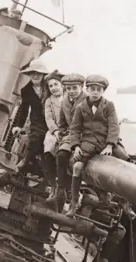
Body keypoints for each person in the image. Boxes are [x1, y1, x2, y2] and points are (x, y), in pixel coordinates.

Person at [67, 75, 129, 217]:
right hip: (88, 142)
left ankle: (124, 202)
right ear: (86, 90)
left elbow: (113, 126)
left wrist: (109, 145)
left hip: (105, 141)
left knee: (125, 161)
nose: (95, 92)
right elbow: (75, 129)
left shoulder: (109, 105)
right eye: (92, 89)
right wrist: (75, 146)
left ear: (103, 91)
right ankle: (74, 202)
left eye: (99, 89)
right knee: (77, 166)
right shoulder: (80, 108)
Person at [45, 73, 86, 211]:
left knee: (75, 160)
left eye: (75, 88)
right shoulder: (65, 102)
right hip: (69, 134)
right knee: (61, 155)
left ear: (81, 87)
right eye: (69, 88)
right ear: (65, 89)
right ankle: (60, 189)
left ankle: (72, 194)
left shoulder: (87, 101)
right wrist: (61, 135)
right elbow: (62, 123)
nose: (72, 91)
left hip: (84, 135)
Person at [11, 59, 49, 173]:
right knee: (35, 137)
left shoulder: (49, 86)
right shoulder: (26, 90)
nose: (36, 76)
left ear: (43, 75)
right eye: (33, 73)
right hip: (37, 121)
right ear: (29, 74)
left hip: (51, 119)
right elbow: (23, 110)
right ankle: (26, 161)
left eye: (39, 73)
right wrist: (18, 126)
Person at [43, 70, 64, 199]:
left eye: (56, 84)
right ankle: (53, 184)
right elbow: (49, 118)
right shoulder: (49, 101)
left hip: (69, 130)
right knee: (49, 145)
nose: (54, 88)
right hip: (54, 129)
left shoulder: (69, 98)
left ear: (61, 85)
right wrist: (55, 131)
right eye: (51, 86)